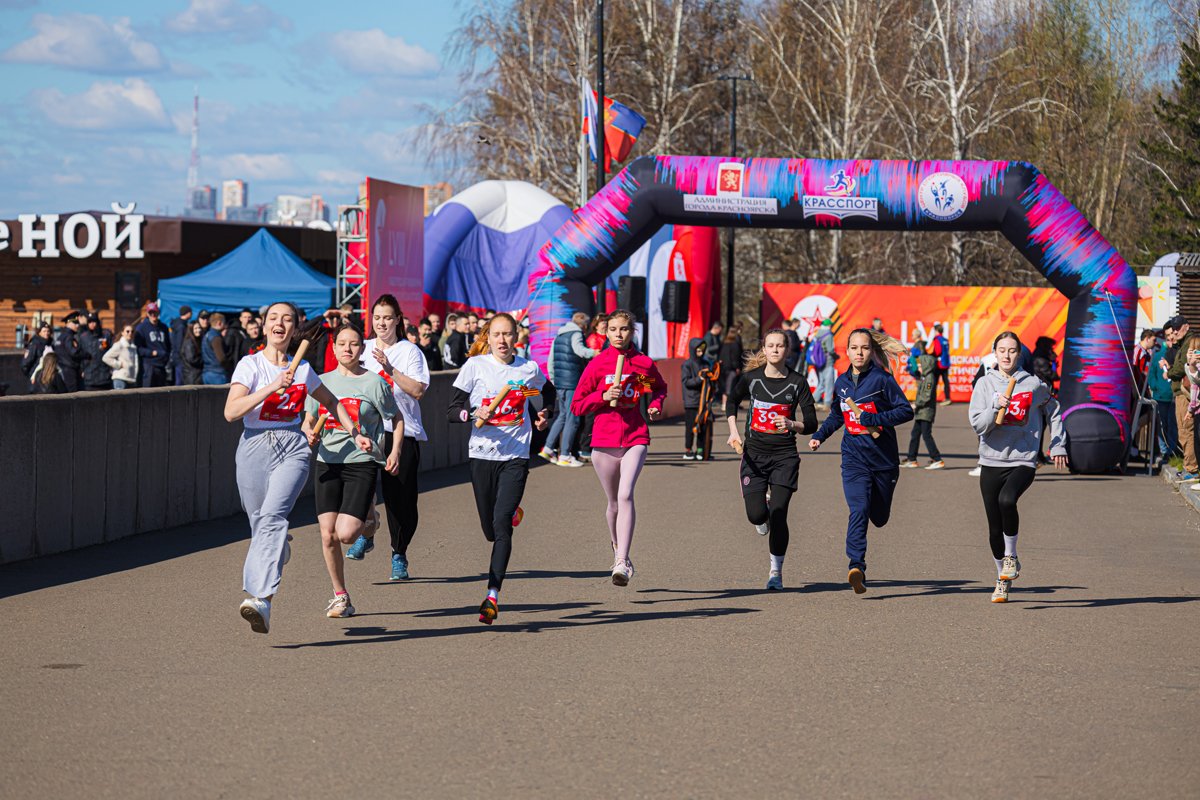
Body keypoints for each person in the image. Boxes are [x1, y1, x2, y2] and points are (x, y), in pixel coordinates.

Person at [224, 301, 371, 635]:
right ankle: (279, 545)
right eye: (273, 318)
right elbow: (231, 412)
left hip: (293, 446)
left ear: (294, 329)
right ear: (264, 326)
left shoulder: (303, 370)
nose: (280, 323)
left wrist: (354, 432)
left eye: (287, 319)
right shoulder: (250, 365)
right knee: (259, 522)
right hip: (253, 446)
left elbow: (332, 402)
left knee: (272, 517)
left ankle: (262, 599)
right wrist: (273, 386)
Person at [448, 313, 554, 625]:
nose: (502, 340)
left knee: (501, 525)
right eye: (497, 334)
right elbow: (452, 410)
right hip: (481, 455)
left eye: (508, 334)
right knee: (489, 530)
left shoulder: (527, 369)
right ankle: (510, 512)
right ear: (489, 337)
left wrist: (545, 413)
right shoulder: (475, 366)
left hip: (515, 456)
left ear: (516, 337)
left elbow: (545, 393)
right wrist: (473, 413)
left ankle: (492, 595)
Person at [304, 324, 401, 618]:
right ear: (333, 348)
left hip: (362, 461)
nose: (348, 348)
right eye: (342, 343)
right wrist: (308, 432)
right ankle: (341, 597)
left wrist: (394, 451)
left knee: (346, 535)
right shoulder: (320, 382)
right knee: (327, 535)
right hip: (327, 461)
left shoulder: (374, 383)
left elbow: (396, 418)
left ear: (362, 349)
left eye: (354, 344)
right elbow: (309, 419)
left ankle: (370, 516)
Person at [809, 328, 914, 594]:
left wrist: (873, 419)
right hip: (854, 458)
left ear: (871, 351)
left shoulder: (882, 380)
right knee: (858, 508)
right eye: (854, 348)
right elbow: (837, 415)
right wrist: (820, 436)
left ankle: (874, 523)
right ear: (847, 351)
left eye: (864, 348)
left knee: (878, 517)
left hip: (883, 461)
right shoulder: (841, 382)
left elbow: (905, 411)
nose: (859, 352)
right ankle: (856, 566)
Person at [968, 331, 1068, 603]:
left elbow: (1054, 409)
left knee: (1007, 500)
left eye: (1012, 350)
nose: (1007, 355)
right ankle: (1002, 580)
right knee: (994, 530)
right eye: (1002, 350)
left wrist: (1057, 444)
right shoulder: (984, 383)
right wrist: (994, 407)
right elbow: (978, 425)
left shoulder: (1033, 384)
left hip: (1023, 458)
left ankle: (1011, 556)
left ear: (1019, 354)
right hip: (991, 460)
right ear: (995, 353)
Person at [571, 309, 668, 587]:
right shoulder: (598, 364)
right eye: (613, 329)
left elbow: (659, 388)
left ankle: (623, 561)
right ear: (605, 331)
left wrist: (654, 405)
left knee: (626, 495)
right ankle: (616, 549)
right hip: (603, 441)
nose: (618, 334)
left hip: (636, 437)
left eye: (624, 329)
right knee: (613, 502)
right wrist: (602, 396)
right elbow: (577, 405)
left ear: (632, 331)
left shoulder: (643, 364)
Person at [725, 330, 817, 590]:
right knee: (756, 515)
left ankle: (776, 572)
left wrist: (791, 423)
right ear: (764, 350)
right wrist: (733, 430)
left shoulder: (797, 382)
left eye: (780, 346)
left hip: (784, 457)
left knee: (779, 514)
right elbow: (732, 401)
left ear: (788, 350)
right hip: (753, 456)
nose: (775, 349)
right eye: (771, 345)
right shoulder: (752, 379)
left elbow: (811, 423)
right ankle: (761, 511)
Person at [348, 294, 431, 582]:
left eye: (387, 317)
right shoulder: (362, 348)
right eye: (377, 317)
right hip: (367, 431)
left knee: (401, 501)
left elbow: (418, 391)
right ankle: (367, 529)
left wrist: (390, 370)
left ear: (398, 320)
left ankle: (399, 552)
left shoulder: (409, 352)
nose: (381, 323)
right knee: (360, 488)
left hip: (402, 431)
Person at [541, 311, 597, 467]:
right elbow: (579, 350)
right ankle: (565, 455)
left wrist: (553, 379)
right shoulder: (577, 334)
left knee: (563, 416)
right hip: (572, 382)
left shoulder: (559, 335)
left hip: (560, 382)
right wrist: (594, 352)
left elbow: (551, 359)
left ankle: (548, 448)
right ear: (585, 326)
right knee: (573, 419)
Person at [901, 344, 944, 469]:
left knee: (926, 435)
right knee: (915, 434)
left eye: (920, 366)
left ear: (926, 365)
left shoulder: (929, 378)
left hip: (926, 412)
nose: (918, 369)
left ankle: (937, 459)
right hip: (921, 412)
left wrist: (916, 404)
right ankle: (912, 458)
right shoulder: (924, 377)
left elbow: (927, 396)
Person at [1165, 316, 1198, 479]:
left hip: (1185, 393)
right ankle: (1189, 467)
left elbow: (1179, 369)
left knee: (1186, 431)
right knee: (1184, 432)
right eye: (1174, 329)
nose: (1175, 331)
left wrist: (1168, 373)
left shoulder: (1189, 343)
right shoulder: (1182, 343)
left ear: (1187, 326)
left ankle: (1191, 469)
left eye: (1178, 328)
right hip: (1182, 393)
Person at [1147, 330, 1178, 464]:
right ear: (1166, 340)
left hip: (1174, 396)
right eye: (1169, 339)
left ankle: (1172, 451)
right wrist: (1156, 387)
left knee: (1173, 424)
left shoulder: (1177, 354)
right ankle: (1164, 451)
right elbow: (1151, 375)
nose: (1171, 341)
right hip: (1160, 396)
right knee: (1162, 424)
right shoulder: (1157, 356)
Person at [680, 338, 711, 460]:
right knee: (690, 426)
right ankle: (688, 449)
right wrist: (700, 379)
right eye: (698, 351)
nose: (701, 353)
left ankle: (700, 449)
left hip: (703, 400)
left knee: (703, 426)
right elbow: (686, 382)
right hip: (691, 401)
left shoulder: (706, 363)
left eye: (702, 351)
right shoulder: (687, 365)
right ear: (693, 350)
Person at [134, 302, 171, 387]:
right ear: (147, 314)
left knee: (161, 391)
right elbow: (139, 348)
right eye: (150, 313)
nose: (153, 315)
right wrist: (153, 353)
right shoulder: (141, 327)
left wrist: (166, 355)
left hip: (162, 365)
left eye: (155, 312)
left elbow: (168, 345)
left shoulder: (164, 327)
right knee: (147, 391)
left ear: (158, 312)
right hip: (148, 365)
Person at [77, 313, 114, 391]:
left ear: (98, 322)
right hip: (89, 376)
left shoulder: (106, 335)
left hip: (105, 375)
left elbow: (113, 352)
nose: (92, 324)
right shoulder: (83, 337)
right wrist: (81, 370)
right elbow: (80, 355)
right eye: (90, 322)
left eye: (94, 321)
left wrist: (112, 368)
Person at [809, 319, 837, 410]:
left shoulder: (818, 334)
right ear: (829, 325)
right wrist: (836, 356)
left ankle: (812, 401)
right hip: (827, 362)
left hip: (818, 362)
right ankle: (827, 403)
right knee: (829, 383)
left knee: (822, 383)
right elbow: (830, 350)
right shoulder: (828, 335)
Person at [54, 311, 84, 392]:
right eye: (75, 323)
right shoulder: (69, 337)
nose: (77, 325)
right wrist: (87, 355)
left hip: (64, 369)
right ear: (68, 324)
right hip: (70, 371)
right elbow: (74, 352)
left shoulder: (62, 336)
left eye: (78, 323)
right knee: (72, 395)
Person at [103, 324, 139, 389]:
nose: (130, 333)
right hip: (120, 378)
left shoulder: (133, 347)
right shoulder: (119, 345)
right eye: (127, 331)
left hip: (131, 379)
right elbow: (105, 357)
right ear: (122, 333)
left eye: (132, 331)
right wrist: (119, 364)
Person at [201, 312, 233, 384]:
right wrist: (228, 368)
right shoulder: (216, 337)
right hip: (218, 373)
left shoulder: (206, 335)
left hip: (206, 372)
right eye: (224, 322)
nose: (225, 325)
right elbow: (221, 358)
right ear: (219, 323)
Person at [929, 323, 953, 404]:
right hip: (945, 363)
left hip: (939, 364)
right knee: (946, 381)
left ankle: (932, 399)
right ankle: (947, 398)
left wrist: (931, 355)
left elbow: (938, 351)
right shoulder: (945, 339)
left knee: (934, 381)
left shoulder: (937, 339)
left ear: (936, 331)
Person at [718, 330, 742, 411]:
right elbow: (735, 357)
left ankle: (724, 404)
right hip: (731, 368)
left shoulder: (723, 343)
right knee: (731, 387)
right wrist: (737, 367)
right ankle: (730, 405)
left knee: (724, 386)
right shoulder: (735, 344)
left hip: (723, 367)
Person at [169, 305, 193, 385]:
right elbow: (180, 344)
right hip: (179, 358)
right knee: (179, 381)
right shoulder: (181, 326)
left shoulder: (179, 324)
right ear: (188, 313)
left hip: (177, 357)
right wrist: (183, 354)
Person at [181, 321, 205, 385]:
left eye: (199, 328)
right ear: (191, 330)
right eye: (196, 328)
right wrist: (204, 360)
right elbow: (192, 359)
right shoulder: (189, 342)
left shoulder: (198, 340)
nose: (198, 330)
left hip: (196, 375)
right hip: (192, 376)